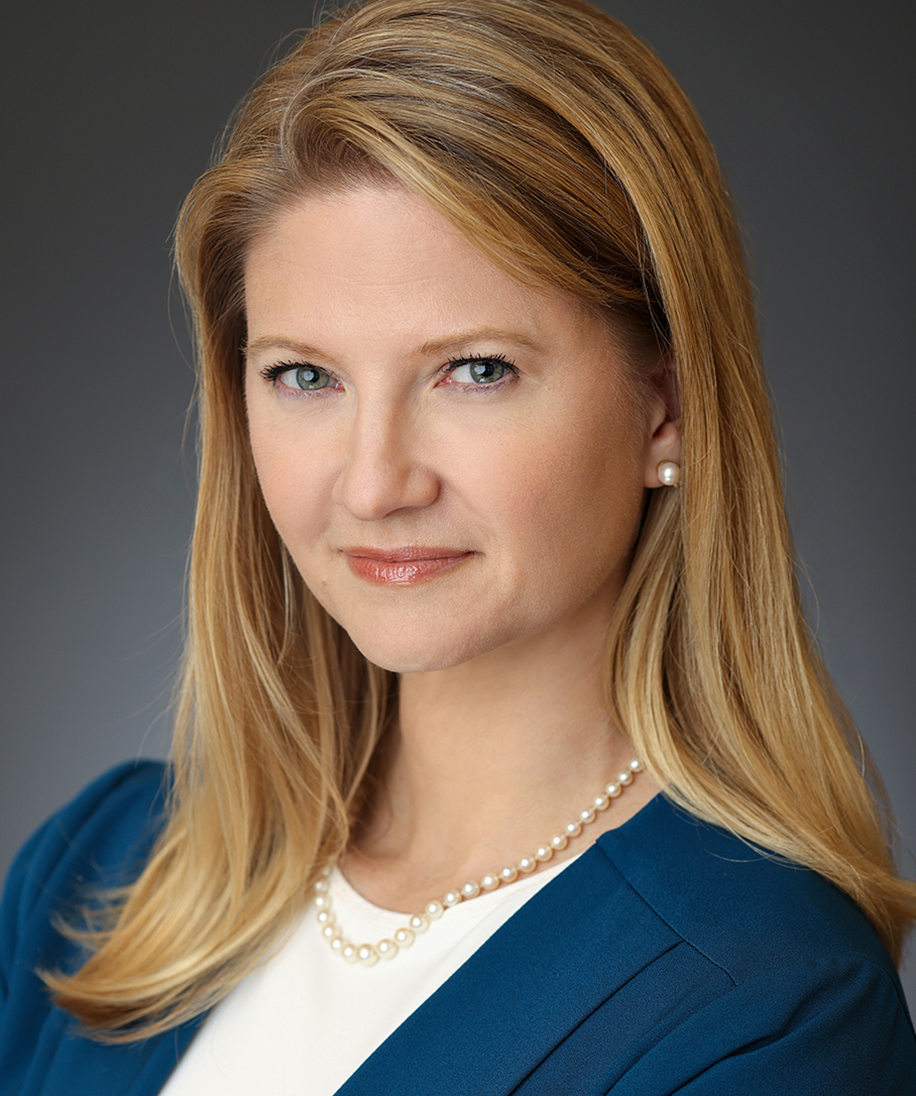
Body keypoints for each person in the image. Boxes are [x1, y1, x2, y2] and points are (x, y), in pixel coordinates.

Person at [1, 0, 914, 1091]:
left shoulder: (771, 1012)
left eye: (475, 370)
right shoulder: (99, 873)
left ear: (665, 410)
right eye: (306, 376)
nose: (374, 484)